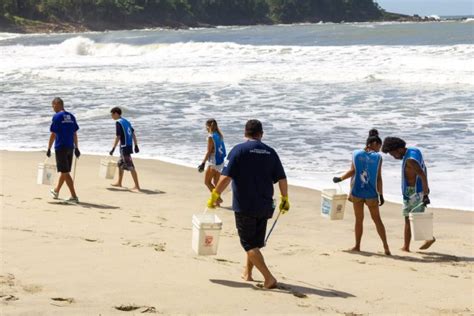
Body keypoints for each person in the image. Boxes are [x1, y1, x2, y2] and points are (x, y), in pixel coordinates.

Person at [207, 119, 289, 289]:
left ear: (245, 133)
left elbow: (226, 177)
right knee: (255, 243)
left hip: (245, 205)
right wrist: (285, 198)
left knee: (248, 244)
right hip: (265, 205)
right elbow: (282, 177)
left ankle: (269, 278)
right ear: (261, 134)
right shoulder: (270, 152)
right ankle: (248, 273)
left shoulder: (238, 150)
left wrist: (215, 194)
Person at [333, 129, 391, 255]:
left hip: (357, 192)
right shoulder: (378, 158)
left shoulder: (356, 154)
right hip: (371, 194)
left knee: (359, 220)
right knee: (377, 220)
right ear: (374, 143)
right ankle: (386, 247)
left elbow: (352, 171)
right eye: (379, 146)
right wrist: (381, 194)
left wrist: (340, 178)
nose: (380, 150)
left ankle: (357, 246)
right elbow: (378, 178)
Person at [382, 137, 435, 252]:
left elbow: (422, 175)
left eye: (393, 154)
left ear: (400, 149)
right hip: (415, 191)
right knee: (414, 218)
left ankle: (412, 244)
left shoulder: (410, 160)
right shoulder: (413, 150)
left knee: (410, 219)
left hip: (414, 192)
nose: (393, 157)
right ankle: (410, 244)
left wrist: (425, 194)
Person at [47, 97, 80, 204]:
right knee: (64, 171)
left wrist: (48, 148)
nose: (53, 108)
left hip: (61, 147)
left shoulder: (57, 116)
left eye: (53, 106)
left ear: (57, 104)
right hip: (70, 147)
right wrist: (77, 147)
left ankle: (74, 196)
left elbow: (53, 133)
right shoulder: (71, 116)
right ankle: (56, 191)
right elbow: (75, 133)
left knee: (65, 172)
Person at [109, 107, 141, 192]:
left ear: (116, 113)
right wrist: (136, 145)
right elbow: (133, 133)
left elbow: (118, 136)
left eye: (112, 114)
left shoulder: (118, 122)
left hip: (124, 147)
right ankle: (119, 182)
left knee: (130, 166)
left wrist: (113, 148)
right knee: (120, 164)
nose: (111, 116)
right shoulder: (126, 121)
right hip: (128, 145)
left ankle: (137, 186)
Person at [198, 119, 226, 204]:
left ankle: (218, 199)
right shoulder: (219, 135)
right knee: (216, 182)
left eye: (206, 126)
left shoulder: (211, 136)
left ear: (208, 126)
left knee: (207, 182)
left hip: (213, 162)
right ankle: (217, 202)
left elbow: (209, 151)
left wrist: (203, 163)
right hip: (220, 161)